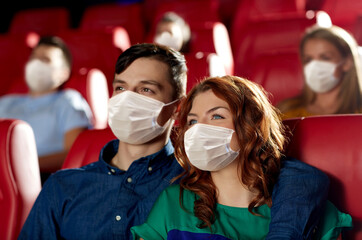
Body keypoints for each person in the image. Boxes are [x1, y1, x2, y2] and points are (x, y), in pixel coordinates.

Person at [20, 44, 328, 240]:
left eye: (146, 90)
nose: (127, 99)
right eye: (120, 88)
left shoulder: (197, 177)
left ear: (177, 108)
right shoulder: (63, 186)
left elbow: (290, 175)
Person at [131, 76, 352, 239]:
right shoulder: (172, 202)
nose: (199, 130)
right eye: (192, 121)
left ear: (250, 127)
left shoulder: (303, 206)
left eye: (217, 116)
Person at [0, 36, 93, 182]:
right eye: (34, 58)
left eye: (45, 60)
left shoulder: (68, 101)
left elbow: (73, 154)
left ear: (64, 73)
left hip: (43, 179)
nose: (36, 63)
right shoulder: (6, 102)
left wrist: (18, 166)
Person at [278, 25, 362, 119]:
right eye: (308, 60)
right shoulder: (286, 112)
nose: (314, 66)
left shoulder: (359, 112)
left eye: (325, 58)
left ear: (347, 62)